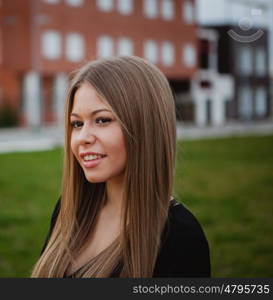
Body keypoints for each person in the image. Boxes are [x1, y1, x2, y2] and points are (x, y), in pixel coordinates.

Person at [31, 56, 211, 278]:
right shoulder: (68, 210)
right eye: (77, 123)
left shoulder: (181, 238)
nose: (82, 138)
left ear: (144, 126)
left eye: (102, 120)